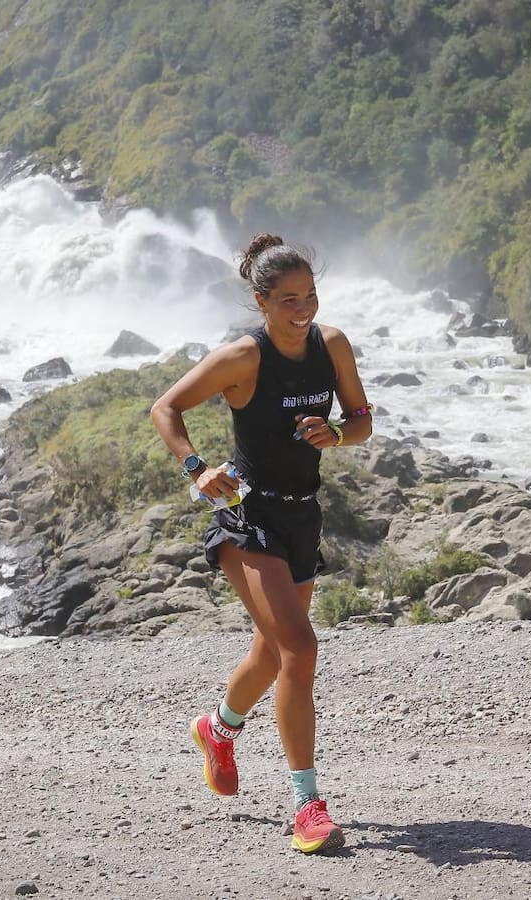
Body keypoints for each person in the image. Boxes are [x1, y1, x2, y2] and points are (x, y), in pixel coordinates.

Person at [150, 232, 373, 854]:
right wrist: (198, 469)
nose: (303, 310)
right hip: (247, 517)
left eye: (311, 296)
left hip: (303, 516)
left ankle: (218, 730)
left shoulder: (332, 345)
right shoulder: (242, 358)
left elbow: (361, 421)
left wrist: (336, 435)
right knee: (300, 648)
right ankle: (308, 805)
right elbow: (165, 409)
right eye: (288, 300)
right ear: (262, 301)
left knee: (273, 655)